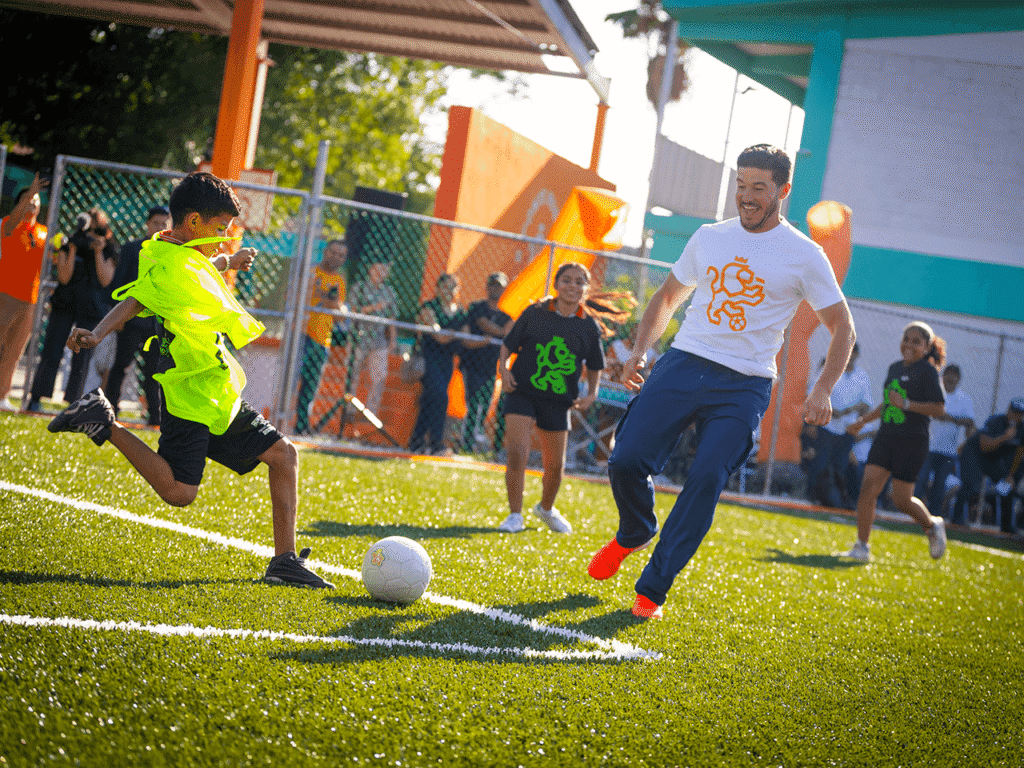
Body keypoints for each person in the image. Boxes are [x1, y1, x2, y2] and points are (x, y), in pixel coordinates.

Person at [586, 144, 856, 620]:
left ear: (782, 191)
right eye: (741, 186)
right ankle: (634, 531)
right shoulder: (710, 236)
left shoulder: (805, 255)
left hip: (744, 385)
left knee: (707, 476)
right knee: (625, 460)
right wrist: (642, 350)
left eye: (759, 188)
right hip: (684, 363)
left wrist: (822, 390)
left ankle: (652, 589)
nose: (747, 197)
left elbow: (843, 328)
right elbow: (668, 297)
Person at [46, 171, 333, 589]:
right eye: (221, 230)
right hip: (186, 393)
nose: (225, 239)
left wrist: (226, 263)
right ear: (194, 222)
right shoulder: (166, 261)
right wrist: (97, 333)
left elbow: (196, 270)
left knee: (283, 455)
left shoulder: (184, 254)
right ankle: (104, 422)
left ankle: (285, 561)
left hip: (214, 391)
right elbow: (138, 297)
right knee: (180, 492)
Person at [496, 261, 614, 534]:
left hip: (559, 400)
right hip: (522, 393)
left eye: (579, 282)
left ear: (586, 289)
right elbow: (507, 346)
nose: (572, 286)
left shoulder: (588, 326)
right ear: (556, 284)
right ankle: (515, 515)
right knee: (516, 454)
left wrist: (593, 393)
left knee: (555, 466)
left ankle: (545, 508)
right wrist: (504, 371)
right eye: (567, 280)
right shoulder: (535, 312)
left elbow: (596, 365)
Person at [842, 322, 948, 562]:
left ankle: (932, 525)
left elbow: (939, 409)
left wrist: (908, 405)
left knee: (901, 500)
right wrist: (863, 421)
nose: (909, 345)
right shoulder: (893, 368)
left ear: (927, 347)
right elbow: (889, 403)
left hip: (913, 442)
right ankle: (862, 547)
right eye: (906, 339)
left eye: (916, 341)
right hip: (886, 437)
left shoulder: (928, 371)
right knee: (868, 489)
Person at [26, 207, 119, 411]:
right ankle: (36, 398)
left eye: (95, 231)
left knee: (82, 357)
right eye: (88, 232)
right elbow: (64, 277)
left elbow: (106, 280)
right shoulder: (70, 243)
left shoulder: (108, 247)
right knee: (52, 350)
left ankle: (73, 403)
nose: (90, 237)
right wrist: (73, 248)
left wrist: (98, 251)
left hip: (91, 308)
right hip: (65, 303)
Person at [100, 205, 172, 425]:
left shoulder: (171, 252)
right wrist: (119, 318)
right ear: (148, 224)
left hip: (156, 323)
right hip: (131, 319)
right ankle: (110, 409)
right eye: (156, 223)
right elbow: (119, 283)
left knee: (154, 371)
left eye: (164, 223)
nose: (159, 227)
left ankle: (155, 416)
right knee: (121, 365)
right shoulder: (132, 249)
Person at [804, 343, 873, 509]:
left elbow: (867, 404)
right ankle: (811, 496)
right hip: (826, 425)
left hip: (847, 429)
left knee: (839, 466)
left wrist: (851, 409)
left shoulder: (862, 376)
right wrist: (828, 409)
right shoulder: (829, 370)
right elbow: (814, 393)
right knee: (820, 463)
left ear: (857, 354)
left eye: (853, 352)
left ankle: (834, 500)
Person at [0, 174, 48, 411]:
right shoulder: (9, 223)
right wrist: (31, 190)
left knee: (14, 351)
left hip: (30, 300)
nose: (33, 202)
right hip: (5, 293)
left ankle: (2, 396)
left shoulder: (44, 233)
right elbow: (12, 222)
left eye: (37, 199)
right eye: (29, 199)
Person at [408, 273, 464, 455]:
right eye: (445, 287)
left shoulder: (460, 311)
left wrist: (453, 335)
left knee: (430, 400)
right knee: (440, 396)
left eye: (453, 287)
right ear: (438, 289)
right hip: (428, 358)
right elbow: (438, 335)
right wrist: (454, 334)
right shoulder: (429, 307)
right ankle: (436, 443)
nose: (449, 291)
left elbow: (465, 335)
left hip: (446, 362)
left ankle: (416, 441)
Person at [294, 239, 347, 435]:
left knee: (310, 386)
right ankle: (279, 417)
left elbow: (340, 313)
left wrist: (336, 305)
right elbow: (302, 298)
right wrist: (326, 301)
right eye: (333, 252)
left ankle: (301, 426)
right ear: (325, 252)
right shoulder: (312, 272)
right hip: (303, 334)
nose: (336, 257)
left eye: (341, 255)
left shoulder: (340, 280)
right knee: (292, 380)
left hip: (323, 339)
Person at [459, 272, 513, 454]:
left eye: (499, 286)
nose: (495, 289)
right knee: (473, 402)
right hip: (472, 363)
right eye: (493, 285)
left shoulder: (506, 316)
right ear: (487, 286)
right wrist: (497, 333)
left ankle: (473, 438)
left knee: (486, 403)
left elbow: (508, 332)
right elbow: (483, 324)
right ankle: (466, 442)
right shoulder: (477, 307)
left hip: (490, 367)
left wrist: (493, 335)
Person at [952, 398, 1024, 533]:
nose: (1016, 416)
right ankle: (957, 518)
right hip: (974, 454)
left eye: (1019, 414)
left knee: (1006, 487)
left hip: (993, 460)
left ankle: (1006, 526)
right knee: (970, 484)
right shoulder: (995, 421)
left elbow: (1019, 454)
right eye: (1014, 412)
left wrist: (1010, 475)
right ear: (1008, 410)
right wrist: (1004, 437)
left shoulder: (1022, 429)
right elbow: (984, 446)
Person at [915, 364, 975, 520]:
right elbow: (930, 411)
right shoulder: (934, 392)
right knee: (920, 480)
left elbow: (969, 420)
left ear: (958, 379)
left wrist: (950, 418)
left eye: (954, 375)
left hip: (948, 451)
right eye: (948, 374)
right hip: (928, 447)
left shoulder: (964, 398)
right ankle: (913, 514)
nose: (950, 378)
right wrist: (946, 417)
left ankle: (933, 517)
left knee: (939, 486)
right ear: (943, 376)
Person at [348, 259, 398, 418]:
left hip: (379, 340)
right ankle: (348, 409)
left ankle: (370, 413)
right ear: (370, 270)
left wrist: (393, 340)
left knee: (379, 377)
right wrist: (373, 308)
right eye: (377, 270)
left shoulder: (389, 292)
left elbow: (392, 318)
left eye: (383, 271)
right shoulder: (360, 288)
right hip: (359, 337)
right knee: (353, 376)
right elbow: (353, 311)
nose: (380, 273)